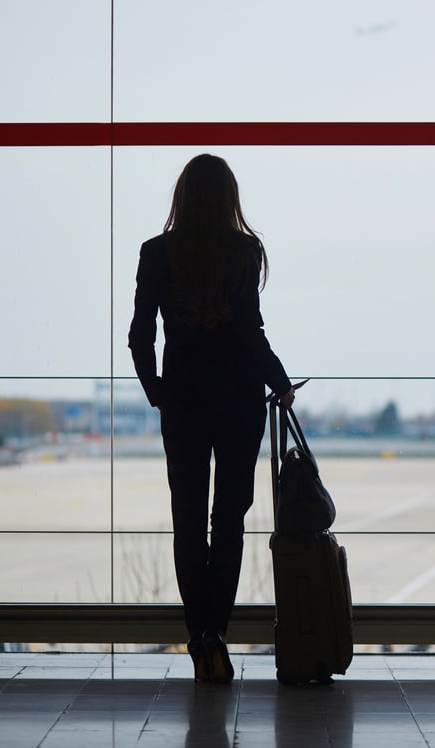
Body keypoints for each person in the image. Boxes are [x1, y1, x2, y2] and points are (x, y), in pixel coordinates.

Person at [128, 154, 295, 684]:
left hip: (183, 404)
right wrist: (280, 381)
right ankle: (215, 633)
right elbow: (251, 331)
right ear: (229, 198)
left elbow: (140, 334)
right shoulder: (245, 251)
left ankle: (198, 633)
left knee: (187, 520)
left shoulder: (156, 253)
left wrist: (156, 390)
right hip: (239, 404)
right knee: (229, 523)